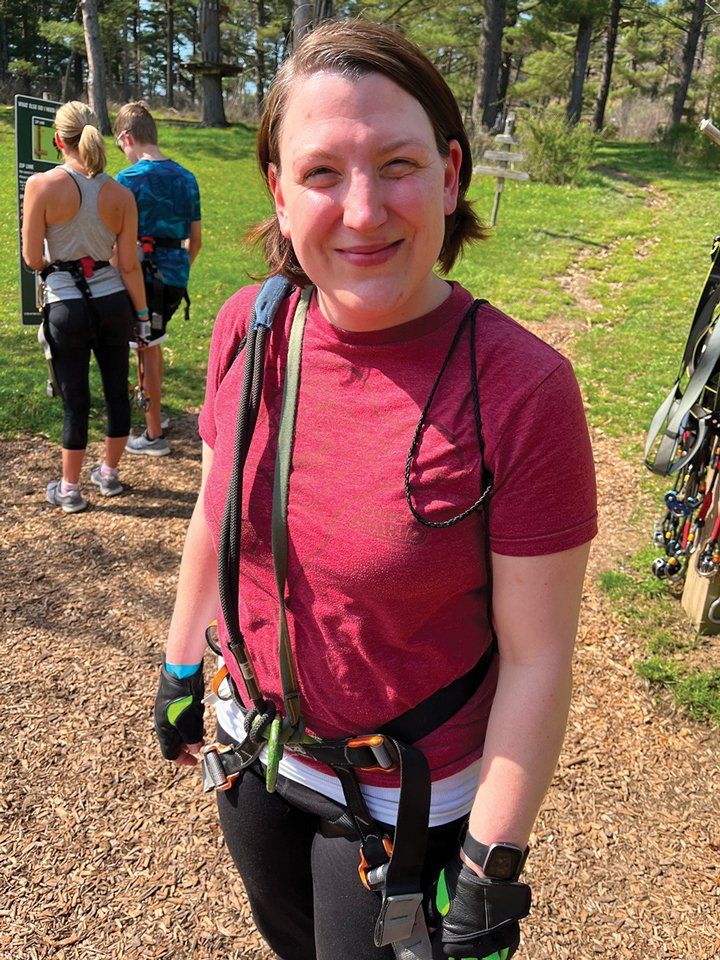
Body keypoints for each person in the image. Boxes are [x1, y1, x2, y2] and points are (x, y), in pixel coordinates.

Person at [153, 20, 597, 960]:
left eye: (397, 165)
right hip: (252, 752)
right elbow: (213, 511)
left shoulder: (521, 389)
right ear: (279, 193)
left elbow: (538, 656)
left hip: (407, 801)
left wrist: (489, 867)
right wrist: (183, 666)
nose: (363, 211)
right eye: (322, 173)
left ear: (451, 174)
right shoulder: (249, 329)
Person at [22, 101, 148, 513]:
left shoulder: (42, 185)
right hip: (113, 303)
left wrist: (58, 260)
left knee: (76, 401)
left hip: (66, 306)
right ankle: (109, 475)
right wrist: (142, 316)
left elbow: (32, 258)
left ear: (58, 140)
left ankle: (69, 489)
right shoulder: (121, 194)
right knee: (117, 392)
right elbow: (127, 265)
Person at [114, 101, 202, 457]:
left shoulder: (127, 180)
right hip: (175, 278)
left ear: (127, 137)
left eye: (120, 146)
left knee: (144, 346)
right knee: (154, 340)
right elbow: (196, 241)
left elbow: (116, 241)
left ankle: (153, 435)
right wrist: (177, 271)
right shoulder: (186, 178)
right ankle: (154, 414)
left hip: (140, 276)